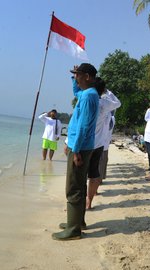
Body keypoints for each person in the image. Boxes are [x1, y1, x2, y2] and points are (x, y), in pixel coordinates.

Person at [52, 63, 99, 241]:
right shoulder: (87, 94)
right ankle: (78, 222)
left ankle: (73, 230)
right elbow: (76, 92)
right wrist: (72, 79)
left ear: (87, 76)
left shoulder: (89, 96)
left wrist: (76, 149)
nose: (76, 77)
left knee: (73, 187)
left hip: (80, 147)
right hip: (82, 146)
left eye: (78, 75)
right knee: (79, 184)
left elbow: (84, 126)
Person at [86, 77, 121, 210]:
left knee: (89, 175)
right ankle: (88, 201)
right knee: (94, 174)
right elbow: (117, 103)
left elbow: (79, 123)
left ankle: (87, 201)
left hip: (88, 145)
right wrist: (107, 91)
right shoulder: (105, 104)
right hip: (99, 145)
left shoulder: (90, 101)